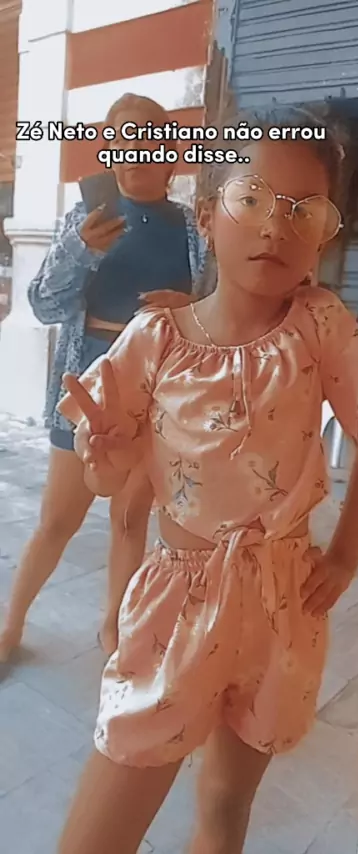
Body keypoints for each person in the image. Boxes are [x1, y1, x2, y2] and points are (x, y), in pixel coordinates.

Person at [55, 107, 358, 854]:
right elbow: (113, 474)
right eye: (253, 199)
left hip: (284, 600)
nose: (277, 226)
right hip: (179, 603)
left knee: (226, 802)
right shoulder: (157, 339)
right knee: (101, 827)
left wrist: (345, 554)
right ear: (209, 218)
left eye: (304, 210)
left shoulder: (319, 325)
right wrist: (104, 460)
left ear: (322, 235)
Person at [0, 93, 204, 666]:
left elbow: (216, 314)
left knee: (130, 519)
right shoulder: (84, 220)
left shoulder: (193, 229)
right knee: (57, 520)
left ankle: (114, 629)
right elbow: (43, 305)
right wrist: (79, 251)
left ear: (171, 152)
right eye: (124, 138)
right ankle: (11, 624)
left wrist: (188, 308)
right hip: (86, 389)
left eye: (150, 138)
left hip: (158, 392)